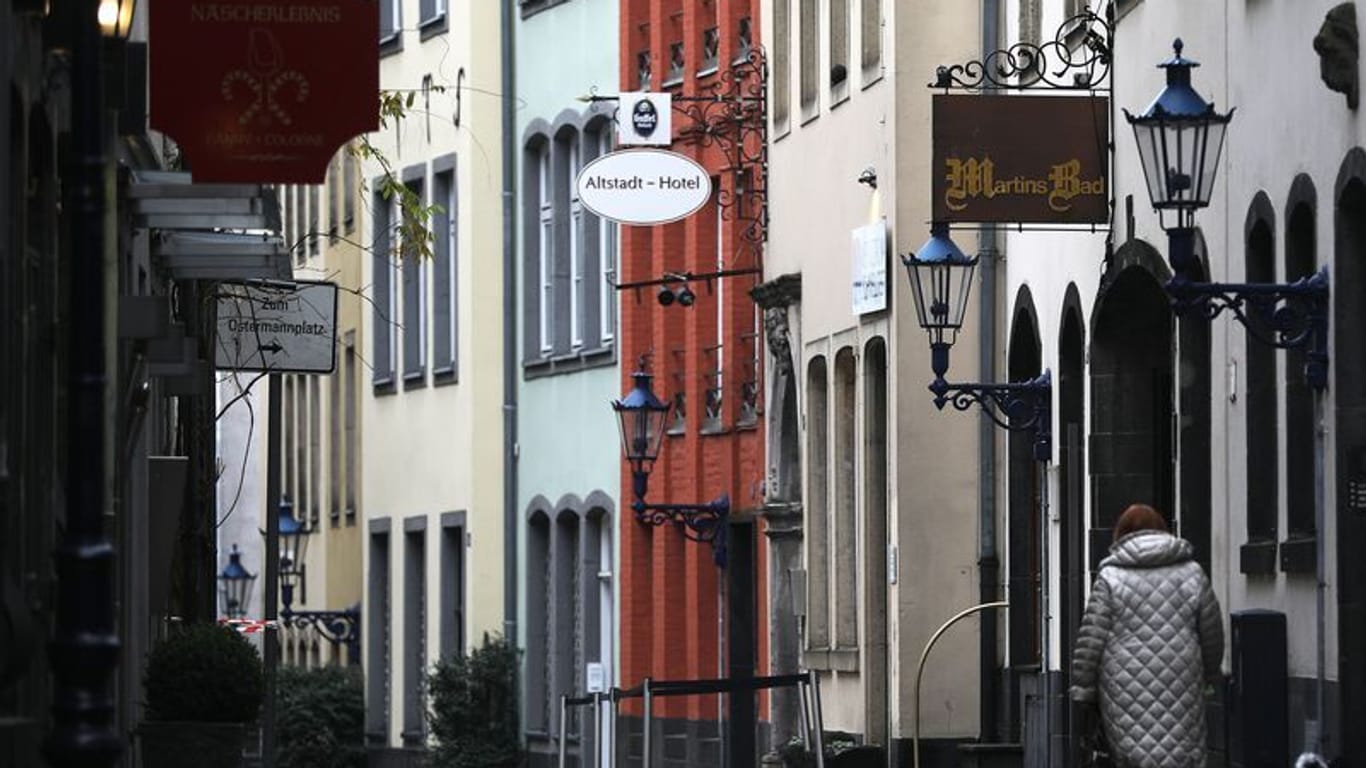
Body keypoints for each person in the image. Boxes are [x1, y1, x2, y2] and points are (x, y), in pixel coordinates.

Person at [1069, 504, 1224, 768]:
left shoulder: (1110, 578)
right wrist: (1209, 674)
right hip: (1182, 684)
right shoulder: (1193, 573)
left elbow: (1090, 641)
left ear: (1121, 534)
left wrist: (1083, 690)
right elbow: (1212, 634)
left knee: (1134, 755)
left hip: (1124, 689)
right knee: (1181, 752)